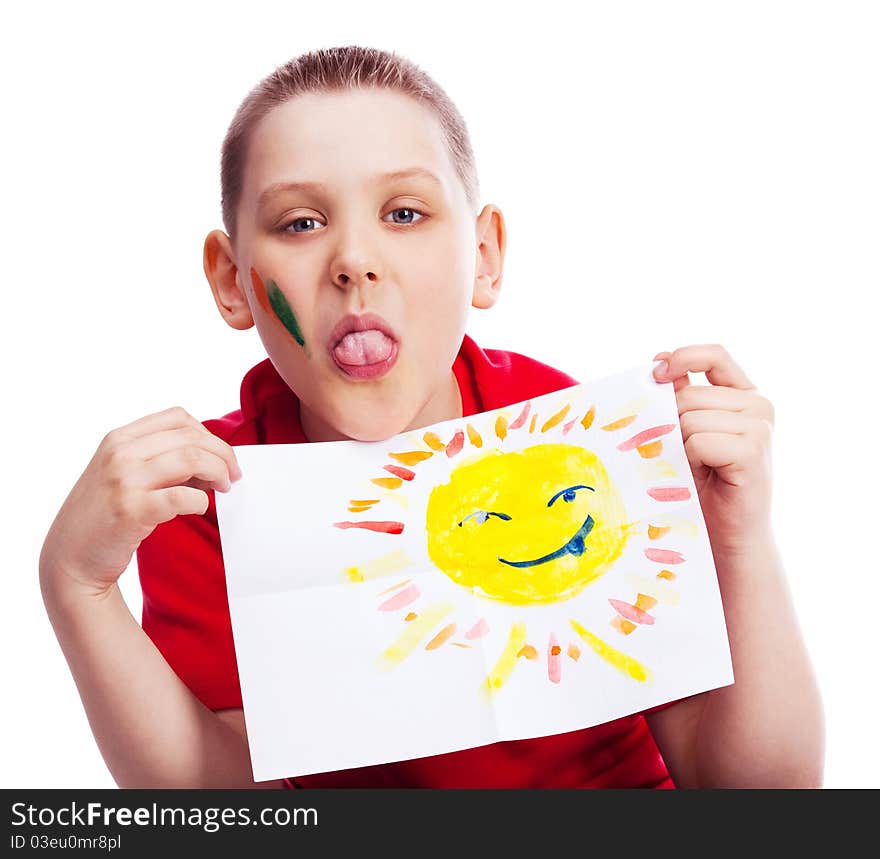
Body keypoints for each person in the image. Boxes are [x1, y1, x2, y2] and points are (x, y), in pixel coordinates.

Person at [39, 45, 824, 789]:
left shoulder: (573, 437)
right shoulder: (205, 493)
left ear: (482, 255)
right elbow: (227, 805)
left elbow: (763, 794)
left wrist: (739, 539)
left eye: (405, 213)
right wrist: (76, 584)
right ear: (232, 279)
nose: (354, 260)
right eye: (301, 223)